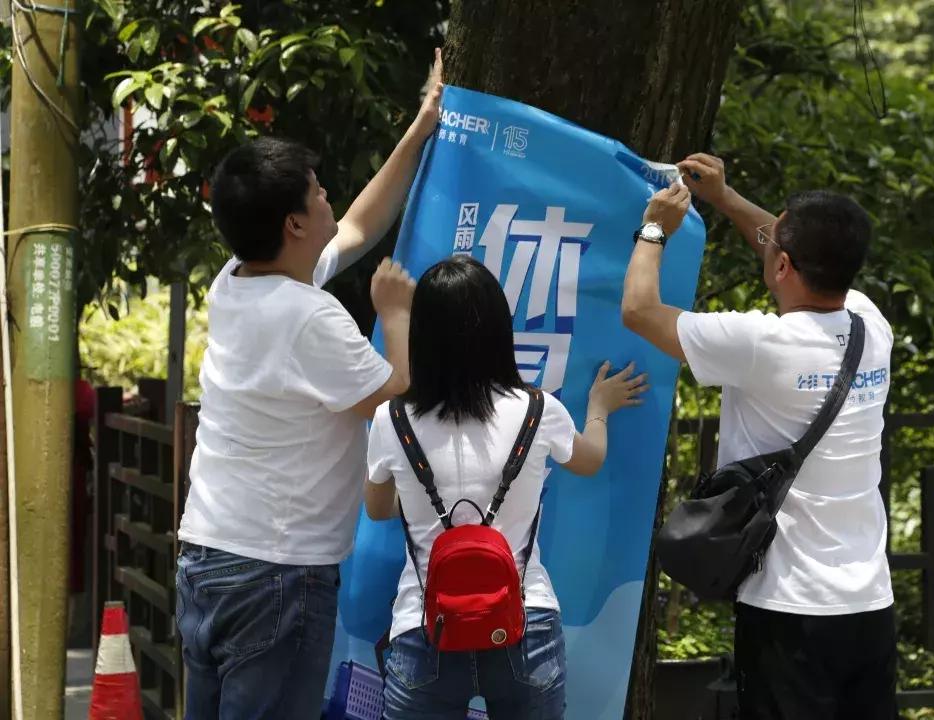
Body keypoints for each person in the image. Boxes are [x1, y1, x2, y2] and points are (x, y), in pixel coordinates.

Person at [174, 50, 444, 720]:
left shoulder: (237, 281)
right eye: (318, 191)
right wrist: (396, 313)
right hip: (276, 574)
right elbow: (397, 396)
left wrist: (422, 125)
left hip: (208, 556)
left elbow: (357, 226)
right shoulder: (309, 317)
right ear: (293, 224)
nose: (329, 198)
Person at [621, 154, 897, 719]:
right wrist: (724, 198)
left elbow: (639, 310)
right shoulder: (872, 327)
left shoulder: (757, 344)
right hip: (870, 601)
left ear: (783, 266)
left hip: (787, 609)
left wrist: (653, 228)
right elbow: (789, 248)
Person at [364, 255, 647, 719]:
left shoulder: (392, 419)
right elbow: (589, 460)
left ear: (423, 335)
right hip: (524, 622)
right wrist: (598, 406)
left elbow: (377, 509)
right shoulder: (540, 410)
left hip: (424, 625)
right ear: (499, 329)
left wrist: (423, 496)